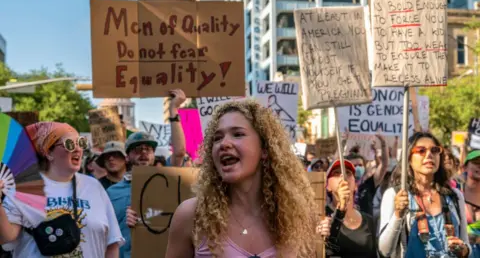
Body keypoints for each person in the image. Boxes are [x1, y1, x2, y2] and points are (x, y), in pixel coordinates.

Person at [165, 100, 318, 257]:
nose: (224, 143)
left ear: (265, 149)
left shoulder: (297, 218)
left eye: (238, 134)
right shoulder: (191, 216)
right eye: (217, 138)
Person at [0, 122, 123, 257]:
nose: (78, 150)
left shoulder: (94, 187)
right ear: (49, 153)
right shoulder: (24, 188)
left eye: (81, 143)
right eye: (70, 144)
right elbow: (7, 238)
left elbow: (111, 243)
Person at [107, 89, 187, 258]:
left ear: (153, 154)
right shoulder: (111, 193)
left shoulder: (166, 179)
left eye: (148, 149)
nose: (143, 152)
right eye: (137, 149)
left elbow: (179, 152)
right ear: (127, 157)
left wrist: (173, 110)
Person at [378, 132, 471, 258]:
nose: (429, 155)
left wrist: (464, 250)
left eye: (434, 150)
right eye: (421, 150)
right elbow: (384, 251)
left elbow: (466, 243)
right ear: (409, 158)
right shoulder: (395, 195)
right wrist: (398, 215)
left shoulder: (455, 196)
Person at [318, 160, 377, 258]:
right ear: (327, 186)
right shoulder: (321, 216)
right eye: (337, 173)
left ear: (355, 186)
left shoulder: (369, 220)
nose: (343, 177)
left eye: (348, 173)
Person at [350, 133, 389, 216]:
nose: (357, 168)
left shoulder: (369, 183)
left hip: (367, 226)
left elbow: (384, 165)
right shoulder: (344, 183)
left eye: (360, 165)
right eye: (354, 165)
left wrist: (383, 143)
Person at [463, 150, 480, 257]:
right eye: (475, 162)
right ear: (465, 167)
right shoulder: (454, 191)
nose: (479, 166)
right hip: (461, 250)